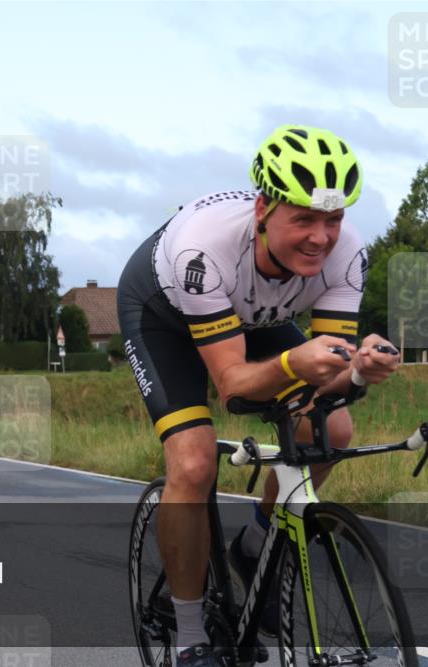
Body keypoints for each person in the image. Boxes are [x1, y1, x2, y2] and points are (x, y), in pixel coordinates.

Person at [117, 125, 401, 666]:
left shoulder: (348, 255)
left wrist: (360, 370)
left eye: (334, 219)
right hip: (164, 314)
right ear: (264, 208)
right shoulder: (203, 248)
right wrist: (297, 363)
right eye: (305, 219)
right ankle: (190, 632)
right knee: (195, 460)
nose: (322, 237)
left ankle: (255, 544)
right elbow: (235, 388)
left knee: (332, 430)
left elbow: (331, 381)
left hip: (254, 312)